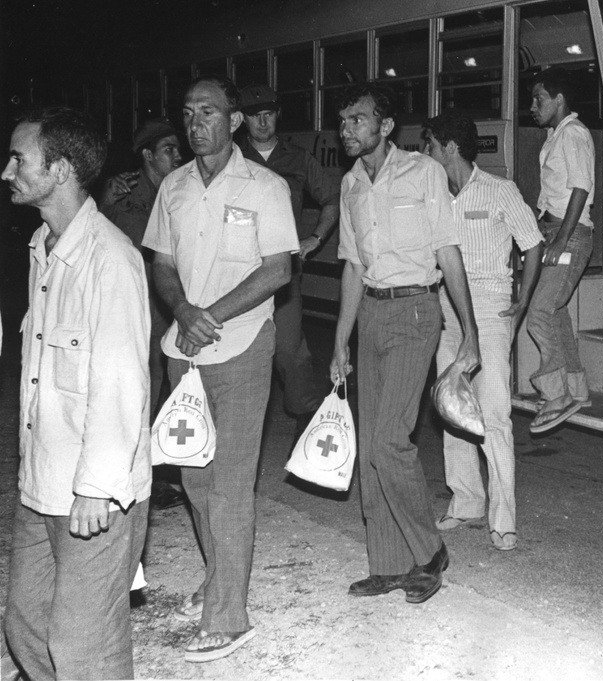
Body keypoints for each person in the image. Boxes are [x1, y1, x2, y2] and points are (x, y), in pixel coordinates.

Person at [143, 76, 299, 663]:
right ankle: (217, 579)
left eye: (208, 112)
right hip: (183, 351)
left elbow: (278, 269)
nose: (195, 123)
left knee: (230, 483)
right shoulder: (174, 187)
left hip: (241, 346)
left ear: (234, 120)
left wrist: (211, 313)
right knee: (193, 480)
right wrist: (183, 309)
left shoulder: (266, 186)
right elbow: (161, 262)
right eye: (187, 113)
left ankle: (229, 615)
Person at [2, 106, 151, 680]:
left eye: (20, 158)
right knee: (27, 624)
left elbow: (120, 385)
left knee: (85, 646)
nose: (7, 170)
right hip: (42, 484)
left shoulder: (109, 260)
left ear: (61, 169)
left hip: (93, 493)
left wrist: (97, 488)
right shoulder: (44, 247)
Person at [329, 83, 480, 604]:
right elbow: (352, 265)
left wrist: (471, 332)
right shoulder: (350, 185)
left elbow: (448, 250)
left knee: (387, 441)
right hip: (370, 311)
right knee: (369, 446)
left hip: (416, 309)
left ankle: (428, 551)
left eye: (357, 120)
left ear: (385, 126)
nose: (347, 129)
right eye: (343, 121)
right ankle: (389, 564)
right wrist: (339, 343)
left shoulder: (424, 172)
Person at [423, 114, 543, 552]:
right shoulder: (434, 196)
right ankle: (467, 500)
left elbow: (532, 243)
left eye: (430, 146)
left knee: (493, 413)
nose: (426, 155)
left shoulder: (498, 190)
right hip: (447, 309)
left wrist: (524, 298)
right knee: (451, 406)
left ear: (449, 148)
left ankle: (504, 517)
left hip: (490, 310)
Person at [238, 84, 338, 433]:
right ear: (242, 119)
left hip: (282, 270)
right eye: (254, 115)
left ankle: (306, 413)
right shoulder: (233, 158)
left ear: (277, 115)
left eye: (268, 113)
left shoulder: (297, 159)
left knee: (288, 348)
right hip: (237, 270)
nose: (262, 121)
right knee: (237, 346)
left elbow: (331, 199)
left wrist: (315, 238)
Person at [99, 117, 185, 510]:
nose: (178, 155)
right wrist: (104, 202)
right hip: (131, 307)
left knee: (167, 383)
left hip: (167, 302)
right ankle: (131, 473)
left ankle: (156, 469)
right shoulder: (123, 193)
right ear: (148, 155)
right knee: (137, 387)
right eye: (169, 149)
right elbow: (94, 238)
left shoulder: (182, 188)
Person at [525, 68, 595, 434]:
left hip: (571, 235)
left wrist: (561, 241)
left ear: (559, 100)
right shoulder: (557, 135)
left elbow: (580, 190)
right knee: (557, 313)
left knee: (538, 312)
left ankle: (556, 395)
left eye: (539, 98)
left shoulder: (574, 135)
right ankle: (576, 388)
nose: (533, 106)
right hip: (555, 230)